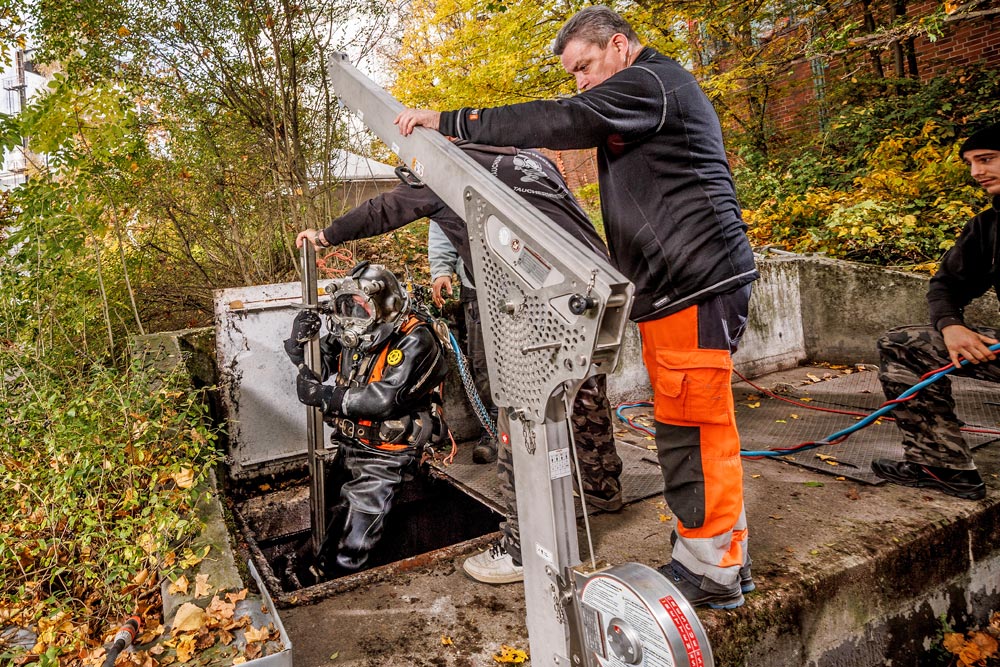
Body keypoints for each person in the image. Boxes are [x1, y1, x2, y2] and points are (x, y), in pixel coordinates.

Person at [395, 5, 759, 609]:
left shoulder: (651, 82)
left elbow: (563, 118)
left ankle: (711, 571)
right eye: (575, 73)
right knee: (689, 426)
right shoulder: (651, 92)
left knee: (692, 430)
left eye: (585, 66)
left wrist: (454, 121)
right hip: (681, 288)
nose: (582, 82)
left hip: (694, 284)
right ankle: (720, 556)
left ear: (620, 46)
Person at [296, 140, 624, 585]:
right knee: (584, 397)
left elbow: (383, 209)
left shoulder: (445, 170)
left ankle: (523, 548)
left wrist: (327, 235)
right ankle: (602, 492)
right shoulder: (528, 160)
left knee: (520, 417)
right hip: (593, 290)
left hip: (531, 302)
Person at [284, 261, 450, 575]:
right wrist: (298, 345)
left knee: (349, 547)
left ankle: (338, 595)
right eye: (346, 308)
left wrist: (325, 397)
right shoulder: (353, 330)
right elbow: (320, 367)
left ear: (384, 307)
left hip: (386, 458)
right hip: (349, 446)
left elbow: (386, 399)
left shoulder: (417, 339)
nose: (352, 318)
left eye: (360, 309)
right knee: (326, 520)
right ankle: (310, 569)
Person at [872, 121, 1000, 500]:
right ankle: (941, 466)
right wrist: (951, 326)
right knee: (902, 344)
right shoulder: (986, 228)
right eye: (970, 163)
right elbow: (945, 285)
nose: (977, 172)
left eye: (987, 159)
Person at [427, 220, 498, 465]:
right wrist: (442, 271)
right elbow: (442, 226)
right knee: (483, 365)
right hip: (476, 287)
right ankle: (492, 433)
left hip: (523, 285)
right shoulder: (453, 187)